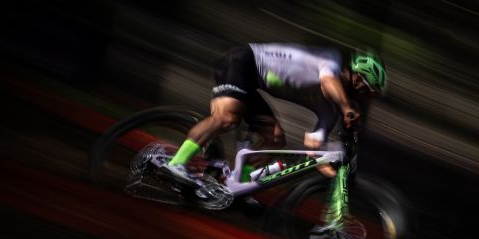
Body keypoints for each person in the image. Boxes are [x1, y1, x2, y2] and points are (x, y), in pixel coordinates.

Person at [158, 43, 387, 186]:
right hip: (242, 61)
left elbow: (313, 145)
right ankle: (177, 162)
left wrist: (331, 170)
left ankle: (238, 183)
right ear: (359, 78)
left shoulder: (331, 108)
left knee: (275, 138)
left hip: (251, 83)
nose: (365, 99)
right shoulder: (331, 61)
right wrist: (347, 107)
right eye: (367, 92)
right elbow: (328, 83)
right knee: (227, 118)